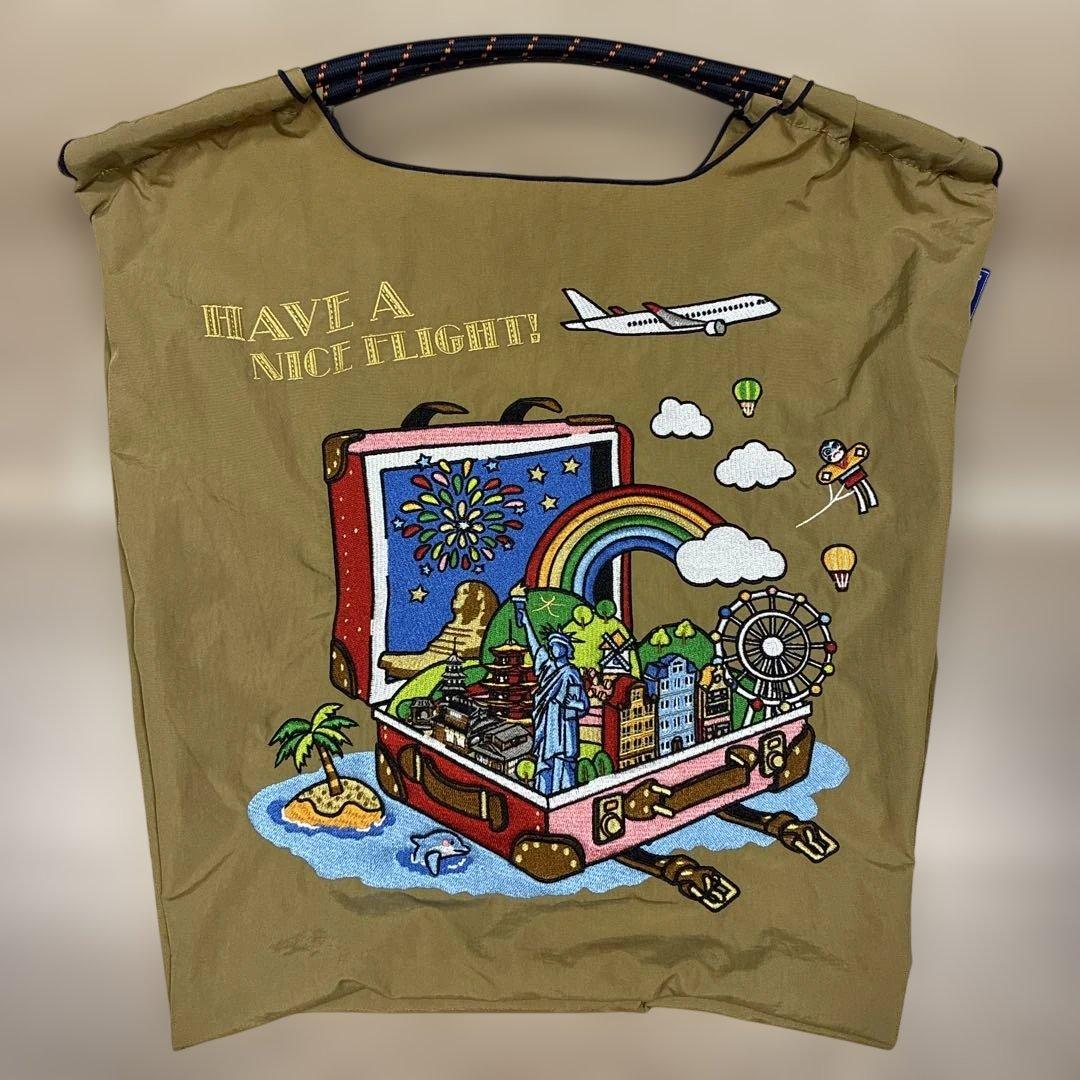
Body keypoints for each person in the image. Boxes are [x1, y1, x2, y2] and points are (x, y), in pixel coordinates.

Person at [512, 594, 589, 794]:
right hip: (547, 722)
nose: (553, 648)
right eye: (552, 645)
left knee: (563, 762)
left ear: (566, 649)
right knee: (545, 762)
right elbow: (535, 647)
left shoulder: (571, 673)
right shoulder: (547, 667)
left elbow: (583, 704)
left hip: (564, 725)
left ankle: (565, 794)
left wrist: (573, 705)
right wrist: (526, 621)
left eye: (557, 645)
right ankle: (543, 792)